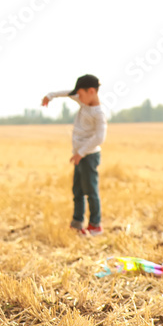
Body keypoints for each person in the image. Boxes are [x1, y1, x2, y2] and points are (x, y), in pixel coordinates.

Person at [41, 74, 108, 236]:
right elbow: (68, 93)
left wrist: (81, 153)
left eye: (81, 94)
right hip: (78, 155)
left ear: (91, 91)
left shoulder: (98, 113)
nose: (79, 97)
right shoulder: (83, 102)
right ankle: (77, 223)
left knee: (90, 191)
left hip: (89, 157)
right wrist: (50, 96)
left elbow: (100, 137)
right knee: (77, 190)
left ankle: (95, 225)